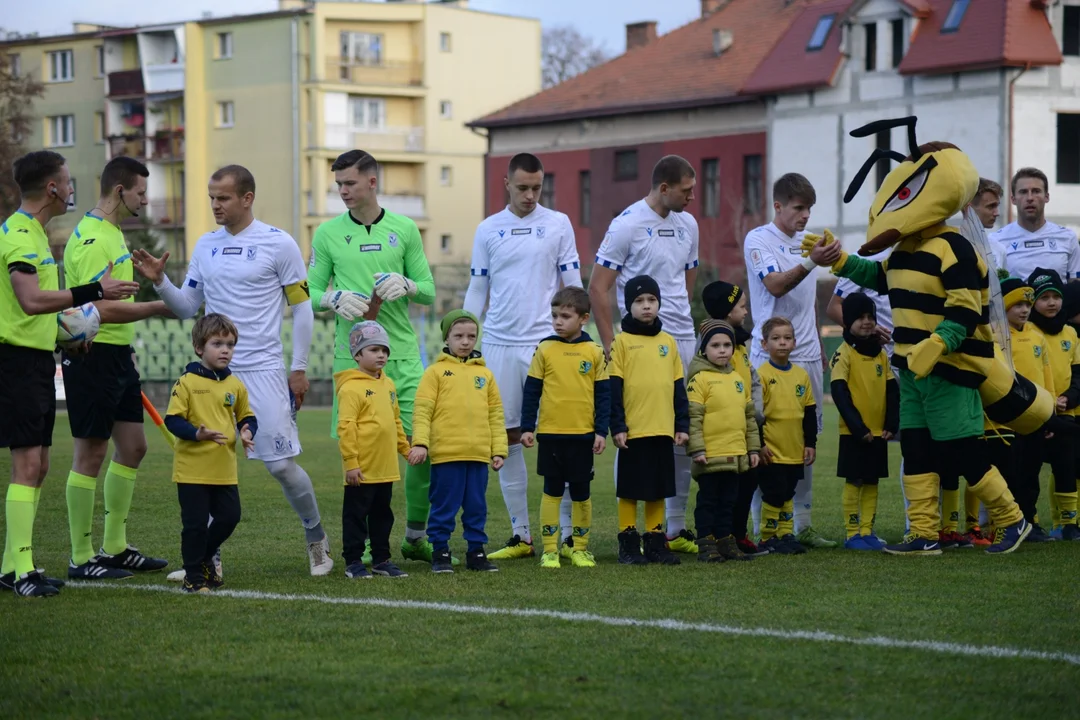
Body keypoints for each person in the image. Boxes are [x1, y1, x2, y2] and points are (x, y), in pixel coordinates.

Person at [809, 116, 1036, 556]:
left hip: (950, 368)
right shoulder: (906, 249)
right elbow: (880, 276)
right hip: (910, 368)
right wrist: (837, 261)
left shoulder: (956, 246)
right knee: (915, 451)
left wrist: (938, 345)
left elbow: (966, 307)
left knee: (965, 452)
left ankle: (1014, 519)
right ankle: (924, 532)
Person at [133, 164, 332, 577]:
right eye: (211, 198)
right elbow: (188, 307)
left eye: (222, 198)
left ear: (247, 198)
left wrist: (298, 368)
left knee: (280, 466)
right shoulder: (205, 245)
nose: (215, 206)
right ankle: (208, 558)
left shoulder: (279, 244)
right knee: (209, 467)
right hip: (212, 376)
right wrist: (160, 282)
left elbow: (302, 309)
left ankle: (317, 540)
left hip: (263, 370)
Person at [0, 150, 139, 597]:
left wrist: (68, 336)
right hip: (16, 361)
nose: (73, 186)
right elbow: (30, 302)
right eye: (67, 179)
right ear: (53, 187)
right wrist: (94, 291)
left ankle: (13, 566)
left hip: (38, 357)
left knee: (38, 466)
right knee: (27, 465)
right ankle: (22, 571)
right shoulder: (20, 235)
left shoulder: (36, 233)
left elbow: (37, 309)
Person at [307, 149, 437, 564]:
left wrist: (410, 286)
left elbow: (430, 290)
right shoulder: (327, 234)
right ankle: (361, 545)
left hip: (403, 357)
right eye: (339, 184)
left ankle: (415, 536)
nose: (342, 191)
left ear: (372, 182)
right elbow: (306, 296)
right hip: (352, 363)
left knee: (422, 446)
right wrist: (332, 297)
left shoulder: (405, 229)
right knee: (361, 454)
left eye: (349, 183)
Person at [463, 152, 582, 561]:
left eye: (537, 188)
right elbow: (478, 289)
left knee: (561, 437)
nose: (531, 195)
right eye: (523, 188)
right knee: (508, 437)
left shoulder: (558, 223)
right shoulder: (488, 229)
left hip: (546, 345)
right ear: (506, 183)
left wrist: (579, 336)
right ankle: (521, 535)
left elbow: (573, 284)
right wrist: (464, 334)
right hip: (498, 344)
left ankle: (566, 535)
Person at [62, 156, 173, 580]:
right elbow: (96, 309)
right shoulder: (92, 237)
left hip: (118, 356)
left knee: (134, 447)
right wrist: (162, 306)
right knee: (90, 452)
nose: (146, 200)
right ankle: (80, 557)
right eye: (141, 192)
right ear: (119, 190)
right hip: (92, 357)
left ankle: (114, 548)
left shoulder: (112, 233)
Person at [589, 155, 700, 555]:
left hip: (679, 340)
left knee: (679, 436)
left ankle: (672, 529)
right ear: (664, 188)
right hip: (634, 348)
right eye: (686, 190)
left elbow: (687, 278)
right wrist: (609, 343)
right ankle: (629, 534)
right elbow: (598, 287)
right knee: (633, 436)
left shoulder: (689, 224)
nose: (692, 197)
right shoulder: (627, 225)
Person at [744, 173, 835, 549]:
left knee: (804, 440)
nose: (805, 217)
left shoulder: (806, 242)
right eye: (798, 209)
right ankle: (760, 526)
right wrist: (813, 262)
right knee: (763, 441)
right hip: (767, 355)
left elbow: (806, 299)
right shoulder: (759, 240)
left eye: (809, 209)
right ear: (778, 206)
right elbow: (776, 286)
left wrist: (815, 340)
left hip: (808, 354)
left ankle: (802, 524)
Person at [163, 314, 255, 593]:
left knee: (230, 517)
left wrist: (247, 431)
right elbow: (173, 420)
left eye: (230, 344)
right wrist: (196, 434)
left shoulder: (235, 385)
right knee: (194, 525)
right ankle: (194, 575)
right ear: (199, 348)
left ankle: (203, 556)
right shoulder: (187, 382)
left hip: (224, 469)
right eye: (217, 343)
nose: (225, 349)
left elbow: (246, 416)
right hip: (192, 470)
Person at [519, 287, 609, 569]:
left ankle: (578, 548)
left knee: (582, 492)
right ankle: (549, 550)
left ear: (583, 318)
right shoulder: (545, 348)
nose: (558, 321)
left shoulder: (594, 351)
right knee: (552, 491)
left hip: (582, 436)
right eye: (555, 315)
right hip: (551, 435)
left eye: (565, 316)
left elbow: (603, 395)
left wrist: (600, 431)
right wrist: (526, 427)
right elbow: (532, 391)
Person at [410, 310, 505, 574]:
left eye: (471, 336)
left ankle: (476, 552)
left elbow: (495, 414)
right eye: (459, 336)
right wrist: (420, 443)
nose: (465, 341)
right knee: (444, 507)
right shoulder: (435, 372)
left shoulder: (485, 375)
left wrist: (498, 449)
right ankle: (440, 552)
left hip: (477, 456)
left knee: (476, 507)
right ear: (447, 338)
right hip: (446, 456)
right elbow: (422, 411)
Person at [609, 276, 688, 566]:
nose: (646, 306)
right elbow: (614, 388)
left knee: (658, 488)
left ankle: (655, 542)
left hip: (663, 429)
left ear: (658, 303)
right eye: (639, 301)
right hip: (634, 431)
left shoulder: (668, 343)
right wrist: (617, 425)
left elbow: (678, 387)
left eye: (651, 300)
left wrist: (682, 424)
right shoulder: (622, 342)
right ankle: (628, 543)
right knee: (630, 489)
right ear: (629, 306)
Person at [335, 321, 411, 580]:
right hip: (362, 469)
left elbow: (396, 420)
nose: (382, 355)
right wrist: (351, 463)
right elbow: (346, 427)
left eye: (385, 350)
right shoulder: (350, 387)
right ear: (357, 355)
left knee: (383, 517)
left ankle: (382, 560)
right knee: (356, 517)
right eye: (374, 349)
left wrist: (405, 449)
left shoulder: (388, 385)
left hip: (386, 467)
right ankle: (353, 562)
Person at [701, 281, 767, 557]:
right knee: (722, 489)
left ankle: (736, 535)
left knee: (748, 482)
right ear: (727, 312)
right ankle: (716, 537)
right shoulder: (714, 346)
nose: (746, 310)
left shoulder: (739, 345)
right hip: (722, 432)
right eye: (741, 306)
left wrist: (758, 418)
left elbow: (752, 382)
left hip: (746, 426)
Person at [686, 319, 760, 563]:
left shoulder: (739, 380)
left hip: (735, 454)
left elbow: (749, 418)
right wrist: (697, 449)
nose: (722, 350)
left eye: (727, 345)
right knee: (708, 501)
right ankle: (706, 542)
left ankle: (725, 541)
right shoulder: (699, 380)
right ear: (703, 349)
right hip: (709, 455)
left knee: (729, 501)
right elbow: (694, 418)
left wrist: (752, 449)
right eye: (715, 345)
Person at [830, 293, 898, 551]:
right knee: (855, 480)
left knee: (872, 480)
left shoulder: (881, 354)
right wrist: (858, 429)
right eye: (860, 317)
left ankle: (868, 531)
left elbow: (892, 390)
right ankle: (852, 533)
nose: (867, 322)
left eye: (870, 316)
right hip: (854, 433)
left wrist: (892, 423)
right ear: (847, 322)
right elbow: (839, 393)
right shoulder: (843, 353)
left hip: (878, 432)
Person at [756, 317, 817, 555]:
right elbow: (756, 416)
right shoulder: (761, 375)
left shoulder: (801, 375)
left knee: (789, 492)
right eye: (776, 338)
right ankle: (767, 536)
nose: (782, 343)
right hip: (772, 449)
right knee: (773, 493)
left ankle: (785, 533)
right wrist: (759, 445)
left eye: (787, 338)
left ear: (795, 343)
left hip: (794, 449)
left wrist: (810, 443)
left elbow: (809, 412)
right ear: (764, 344)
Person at [1027, 268, 1080, 541]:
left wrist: (1069, 398)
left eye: (1055, 296)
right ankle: (1031, 521)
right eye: (1044, 297)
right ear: (1033, 302)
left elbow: (1078, 373)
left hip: (1066, 412)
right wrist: (1044, 402)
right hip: (1034, 412)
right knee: (1030, 468)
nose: (1051, 303)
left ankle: (1069, 522)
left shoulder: (1070, 333)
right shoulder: (1026, 331)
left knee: (1067, 465)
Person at [1000, 278, 1055, 542]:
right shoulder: (997, 335)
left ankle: (1031, 520)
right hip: (1007, 418)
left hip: (1035, 417)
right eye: (1017, 304)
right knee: (1010, 472)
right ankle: (1011, 521)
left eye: (1027, 304)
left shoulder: (1036, 335)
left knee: (1031, 473)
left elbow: (1047, 378)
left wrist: (1050, 413)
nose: (1024, 309)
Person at [990, 167, 1080, 283]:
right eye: (1023, 192)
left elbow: (1075, 287)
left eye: (1036, 191)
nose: (1030, 198)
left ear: (1046, 197)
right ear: (1013, 199)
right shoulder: (996, 240)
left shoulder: (1068, 238)